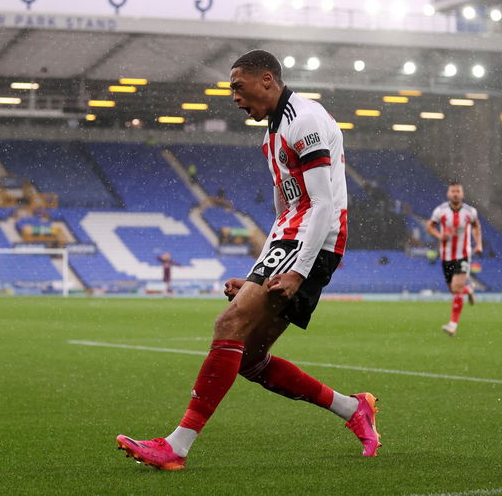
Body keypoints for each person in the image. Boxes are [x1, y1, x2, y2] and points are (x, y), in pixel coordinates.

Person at [116, 50, 379, 470]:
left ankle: (176, 447)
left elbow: (323, 205)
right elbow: (283, 214)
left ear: (268, 80)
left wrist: (297, 269)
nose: (234, 97)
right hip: (290, 239)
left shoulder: (304, 121)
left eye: (239, 87)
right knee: (251, 359)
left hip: (315, 239)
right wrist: (257, 273)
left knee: (228, 325)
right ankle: (353, 409)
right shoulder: (271, 135)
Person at [426, 182, 482, 337]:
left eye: (458, 191)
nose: (455, 194)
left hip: (463, 254)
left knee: (456, 287)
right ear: (448, 194)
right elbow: (429, 226)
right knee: (453, 289)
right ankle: (468, 290)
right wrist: (439, 235)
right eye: (453, 191)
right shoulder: (440, 211)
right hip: (446, 255)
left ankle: (452, 325)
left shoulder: (470, 212)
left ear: (462, 194)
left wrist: (478, 244)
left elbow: (476, 226)